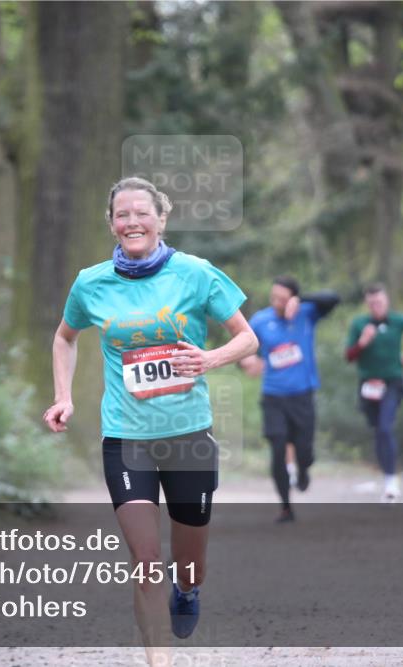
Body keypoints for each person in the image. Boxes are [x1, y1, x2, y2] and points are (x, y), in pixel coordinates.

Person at [43, 177, 257, 664]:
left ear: (162, 218)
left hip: (188, 436)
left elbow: (247, 338)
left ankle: (189, 589)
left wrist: (209, 359)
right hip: (126, 436)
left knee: (188, 564)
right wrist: (63, 396)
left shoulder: (196, 274)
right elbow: (64, 337)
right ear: (112, 224)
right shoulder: (91, 282)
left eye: (143, 212)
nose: (132, 221)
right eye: (122, 214)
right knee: (146, 560)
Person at [239, 276, 339, 522]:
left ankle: (304, 468)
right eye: (273, 297)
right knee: (277, 447)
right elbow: (244, 343)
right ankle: (285, 507)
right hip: (273, 396)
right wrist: (247, 360)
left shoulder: (306, 313)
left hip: (302, 396)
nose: (276, 303)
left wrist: (301, 301)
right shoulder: (262, 320)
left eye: (282, 299)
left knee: (304, 450)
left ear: (293, 298)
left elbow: (334, 298)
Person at [345, 283, 403, 502]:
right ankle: (387, 475)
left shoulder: (398, 321)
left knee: (386, 428)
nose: (376, 306)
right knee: (378, 430)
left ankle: (391, 481)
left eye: (379, 301)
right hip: (368, 385)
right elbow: (349, 356)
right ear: (367, 304)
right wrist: (362, 343)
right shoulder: (359, 324)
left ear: (386, 301)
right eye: (372, 303)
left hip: (392, 382)